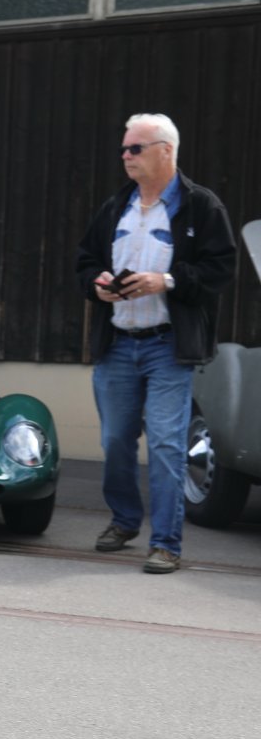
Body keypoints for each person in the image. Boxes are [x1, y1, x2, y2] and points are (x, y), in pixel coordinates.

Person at [75, 113, 237, 574]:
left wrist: (165, 281)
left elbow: (220, 270)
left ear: (166, 151)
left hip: (168, 346)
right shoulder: (116, 206)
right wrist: (98, 286)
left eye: (135, 148)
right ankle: (125, 521)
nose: (125, 157)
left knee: (166, 445)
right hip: (118, 343)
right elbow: (85, 260)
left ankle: (166, 543)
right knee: (115, 441)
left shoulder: (201, 206)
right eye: (124, 149)